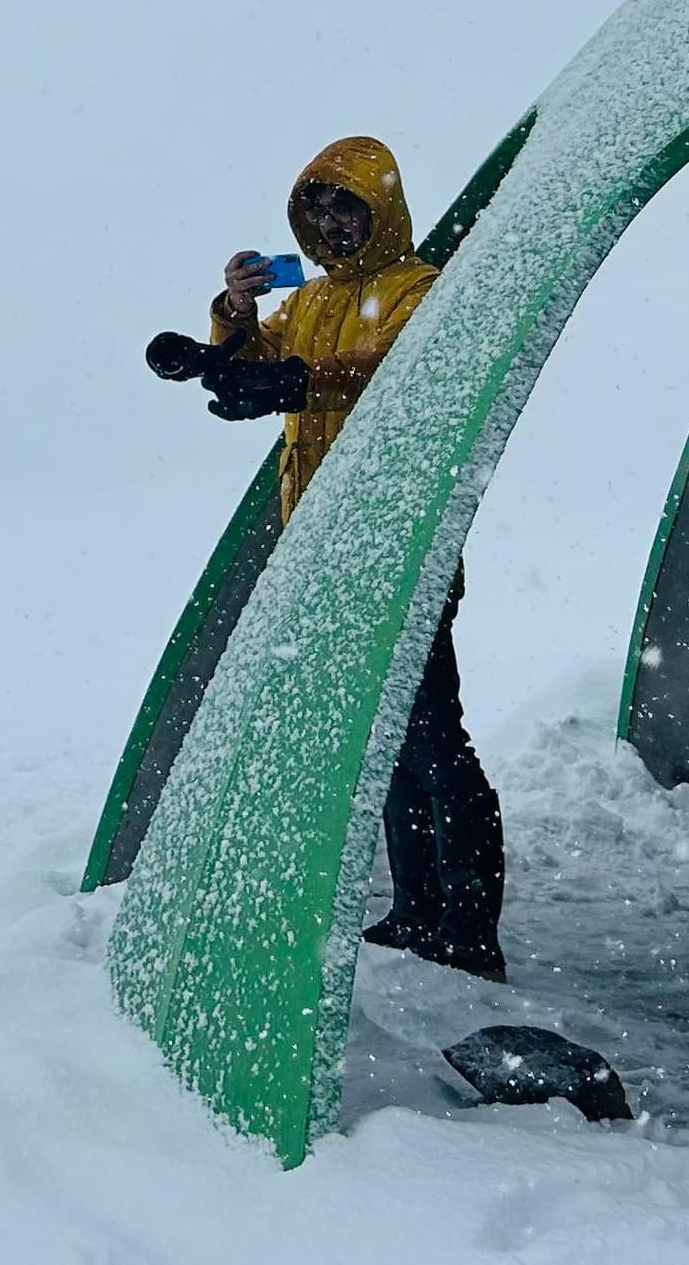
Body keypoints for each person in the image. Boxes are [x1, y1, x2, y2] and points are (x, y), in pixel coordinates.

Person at [144, 135, 507, 976]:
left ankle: (470, 926)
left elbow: (394, 368)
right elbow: (264, 361)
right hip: (325, 548)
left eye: (348, 207)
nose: (334, 224)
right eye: (320, 211)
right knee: (387, 739)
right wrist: (229, 322)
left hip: (398, 542)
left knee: (433, 738)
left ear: (383, 211)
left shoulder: (418, 289)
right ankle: (418, 911)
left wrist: (294, 384)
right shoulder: (309, 302)